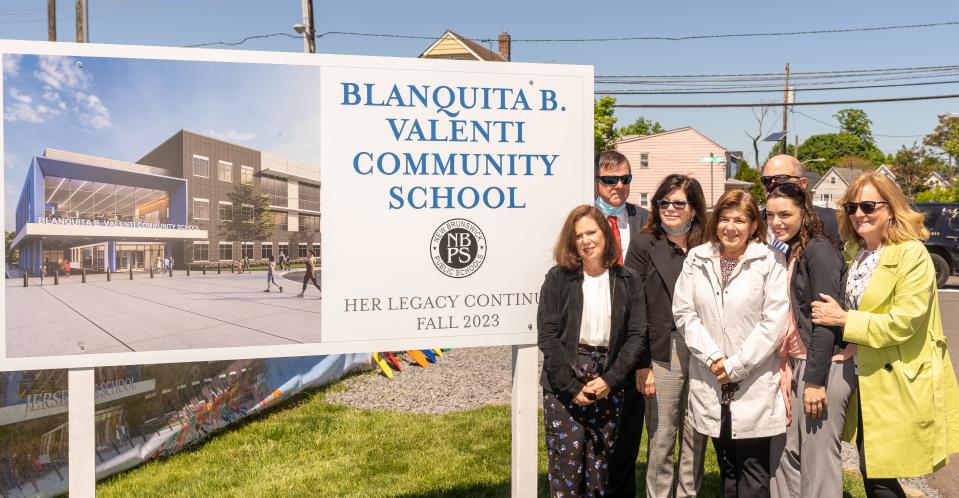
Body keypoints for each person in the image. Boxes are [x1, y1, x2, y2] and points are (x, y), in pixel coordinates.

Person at [811, 172, 959, 498]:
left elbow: (904, 321)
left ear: (891, 209)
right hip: (868, 374)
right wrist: (852, 342)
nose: (858, 214)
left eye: (868, 205)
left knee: (880, 473)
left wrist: (845, 321)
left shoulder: (911, 254)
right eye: (851, 207)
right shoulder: (858, 253)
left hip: (899, 379)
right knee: (872, 467)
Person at [672, 190, 789, 498]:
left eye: (740, 220)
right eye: (724, 219)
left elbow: (774, 321)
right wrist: (713, 359)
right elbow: (685, 313)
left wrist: (736, 366)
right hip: (711, 377)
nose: (730, 227)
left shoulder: (770, 260)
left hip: (753, 380)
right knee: (727, 467)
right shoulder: (697, 258)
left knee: (752, 470)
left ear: (753, 225)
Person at [538, 204, 648, 497]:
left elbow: (637, 335)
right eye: (578, 236)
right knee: (567, 467)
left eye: (592, 232)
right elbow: (548, 336)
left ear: (605, 234)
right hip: (564, 382)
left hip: (608, 381)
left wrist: (609, 381)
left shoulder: (628, 280)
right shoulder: (557, 278)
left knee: (600, 469)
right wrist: (571, 386)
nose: (586, 241)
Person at [764, 182, 853, 498]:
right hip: (797, 363)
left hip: (823, 366)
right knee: (785, 453)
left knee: (818, 462)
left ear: (805, 212)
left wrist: (815, 382)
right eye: (771, 215)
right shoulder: (793, 248)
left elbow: (826, 323)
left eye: (785, 214)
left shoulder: (819, 251)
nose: (777, 222)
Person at [623, 174, 709, 498]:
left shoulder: (708, 247)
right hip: (664, 349)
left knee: (695, 432)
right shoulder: (645, 244)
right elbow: (633, 308)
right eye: (663, 202)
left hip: (702, 349)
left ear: (694, 209)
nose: (669, 208)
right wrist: (642, 363)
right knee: (661, 436)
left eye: (678, 203)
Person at [594, 150, 649, 497]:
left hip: (634, 339)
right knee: (594, 438)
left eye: (625, 179)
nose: (618, 186)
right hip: (593, 339)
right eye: (609, 180)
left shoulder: (644, 219)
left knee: (628, 438)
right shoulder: (581, 219)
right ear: (596, 181)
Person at [762, 154, 841, 250]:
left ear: (802, 183)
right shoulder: (754, 221)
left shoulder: (830, 220)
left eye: (781, 179)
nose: (772, 187)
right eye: (766, 181)